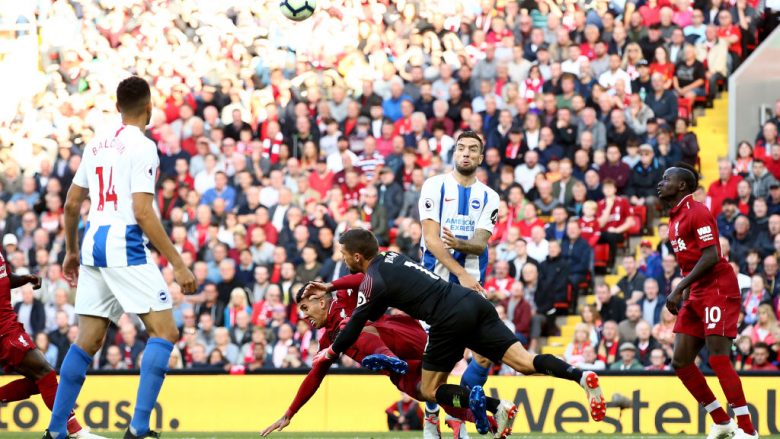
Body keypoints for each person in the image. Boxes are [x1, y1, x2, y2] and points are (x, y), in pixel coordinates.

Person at [311, 229, 606, 438]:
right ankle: (580, 376)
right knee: (526, 363)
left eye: (344, 254)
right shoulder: (391, 257)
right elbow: (361, 278)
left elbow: (354, 324)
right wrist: (332, 287)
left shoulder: (372, 282)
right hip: (472, 302)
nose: (343, 258)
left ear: (358, 256)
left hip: (447, 319)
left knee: (428, 389)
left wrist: (332, 351)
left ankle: (496, 406)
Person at [44, 77, 197, 439]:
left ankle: (55, 431)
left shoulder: (97, 142)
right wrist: (177, 262)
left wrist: (70, 250)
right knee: (165, 330)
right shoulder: (143, 147)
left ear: (117, 107)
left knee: (89, 338)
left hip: (93, 242)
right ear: (149, 107)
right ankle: (139, 428)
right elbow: (143, 212)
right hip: (124, 244)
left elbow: (70, 203)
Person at [261, 276, 495, 438]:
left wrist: (331, 286)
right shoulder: (327, 341)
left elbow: (367, 276)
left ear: (321, 301)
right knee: (429, 393)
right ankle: (486, 415)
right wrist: (290, 413)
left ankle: (386, 356)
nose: (304, 317)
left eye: (305, 308)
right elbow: (314, 376)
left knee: (349, 326)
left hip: (403, 338)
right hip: (403, 369)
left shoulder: (344, 298)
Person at [658, 165, 758, 439]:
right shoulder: (675, 217)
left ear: (681, 186)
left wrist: (679, 288)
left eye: (667, 179)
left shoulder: (698, 211)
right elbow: (688, 262)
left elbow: (711, 255)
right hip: (696, 292)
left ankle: (748, 430)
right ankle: (721, 420)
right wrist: (686, 292)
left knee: (717, 358)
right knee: (680, 361)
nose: (661, 183)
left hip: (717, 287)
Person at [417, 130, 501, 436]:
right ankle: (430, 415)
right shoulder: (434, 186)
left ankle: (460, 415)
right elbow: (432, 240)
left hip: (472, 285)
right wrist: (461, 271)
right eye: (461, 148)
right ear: (455, 153)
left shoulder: (490, 196)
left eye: (472, 149)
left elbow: (480, 245)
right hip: (434, 285)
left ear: (480, 157)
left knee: (485, 353)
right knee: (437, 361)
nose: (465, 153)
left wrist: (462, 246)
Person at [0, 254, 99, 439]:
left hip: (9, 325)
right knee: (45, 373)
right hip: (4, 331)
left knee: (43, 380)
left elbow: (4, 278)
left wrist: (25, 278)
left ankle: (71, 430)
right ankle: (74, 430)